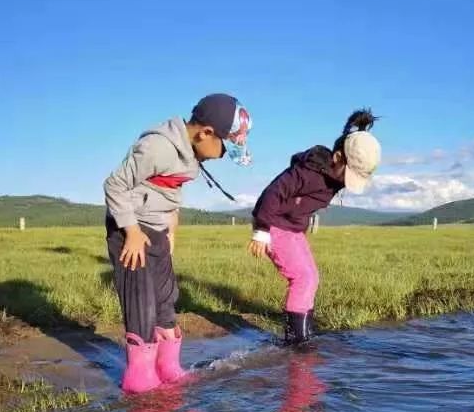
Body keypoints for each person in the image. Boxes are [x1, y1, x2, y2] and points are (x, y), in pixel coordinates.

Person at [104, 94, 252, 393]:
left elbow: (169, 192)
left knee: (166, 296)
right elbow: (115, 185)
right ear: (205, 133)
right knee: (141, 302)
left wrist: (171, 228)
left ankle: (167, 365)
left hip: (158, 230)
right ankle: (140, 378)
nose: (223, 155)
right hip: (130, 231)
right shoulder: (157, 147)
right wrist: (131, 231)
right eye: (225, 147)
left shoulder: (191, 155)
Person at [248, 109, 381, 345]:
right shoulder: (307, 173)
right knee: (302, 278)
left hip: (293, 228)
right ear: (337, 158)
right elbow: (272, 193)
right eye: (349, 174)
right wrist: (262, 232)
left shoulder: (334, 175)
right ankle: (297, 341)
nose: (346, 182)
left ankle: (305, 333)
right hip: (275, 224)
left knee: (312, 276)